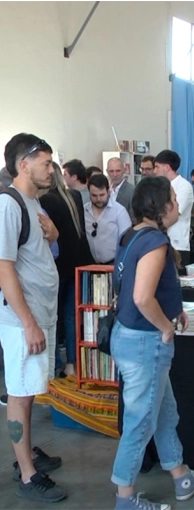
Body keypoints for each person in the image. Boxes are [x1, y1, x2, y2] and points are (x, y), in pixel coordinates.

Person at [110, 176, 194, 510]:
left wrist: (175, 310)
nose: (178, 203)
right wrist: (165, 327)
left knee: (165, 414)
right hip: (145, 342)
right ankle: (125, 499)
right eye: (172, 196)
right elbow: (142, 297)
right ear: (160, 205)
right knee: (140, 423)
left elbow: (129, 290)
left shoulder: (132, 235)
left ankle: (181, 475)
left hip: (127, 336)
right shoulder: (155, 241)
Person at [0, 134, 67, 502]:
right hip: (21, 320)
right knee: (21, 393)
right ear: (23, 164)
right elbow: (4, 267)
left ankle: (25, 451)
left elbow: (38, 257)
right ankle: (27, 474)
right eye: (45, 163)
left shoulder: (32, 204)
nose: (51, 170)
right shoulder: (8, 205)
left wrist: (54, 236)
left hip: (39, 313)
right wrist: (27, 322)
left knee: (28, 390)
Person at [40, 162, 93, 377]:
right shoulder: (75, 197)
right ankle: (72, 364)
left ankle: (52, 367)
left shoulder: (44, 201)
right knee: (72, 316)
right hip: (79, 263)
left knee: (53, 317)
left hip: (58, 265)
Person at [152, 150, 193, 268]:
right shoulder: (159, 187)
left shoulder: (184, 186)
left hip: (178, 244)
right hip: (159, 241)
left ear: (167, 167)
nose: (154, 171)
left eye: (157, 167)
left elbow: (172, 213)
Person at [84, 174, 131, 265]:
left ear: (108, 191)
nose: (98, 199)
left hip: (113, 263)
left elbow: (126, 242)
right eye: (94, 195)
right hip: (90, 264)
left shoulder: (119, 211)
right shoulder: (84, 210)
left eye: (102, 195)